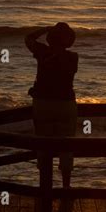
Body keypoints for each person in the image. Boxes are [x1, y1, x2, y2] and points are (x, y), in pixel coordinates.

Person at [25, 23, 78, 188]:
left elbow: (28, 38)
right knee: (67, 146)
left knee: (43, 144)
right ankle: (66, 187)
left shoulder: (42, 52)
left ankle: (44, 186)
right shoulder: (73, 57)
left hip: (43, 104)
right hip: (66, 104)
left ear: (50, 38)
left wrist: (45, 28)